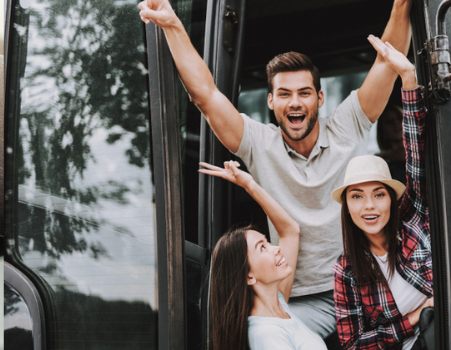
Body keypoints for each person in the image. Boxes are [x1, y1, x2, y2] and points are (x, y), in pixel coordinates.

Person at [138, 0, 414, 337]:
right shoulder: (258, 142)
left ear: (320, 99)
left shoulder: (347, 125)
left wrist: (402, 6)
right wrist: (173, 26)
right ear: (271, 102)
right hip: (301, 301)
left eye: (304, 93)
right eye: (284, 94)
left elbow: (388, 63)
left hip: (363, 286)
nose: (295, 102)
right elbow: (205, 95)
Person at [332, 36, 432, 350]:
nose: (369, 206)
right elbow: (351, 344)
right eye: (357, 197)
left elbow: (416, 154)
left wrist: (408, 78)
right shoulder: (346, 268)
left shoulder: (413, 223)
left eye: (378, 194)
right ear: (347, 207)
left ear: (392, 198)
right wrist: (416, 317)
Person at [199, 161, 324, 350]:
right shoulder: (267, 334)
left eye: (267, 242)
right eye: (262, 248)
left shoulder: (278, 304)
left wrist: (249, 184)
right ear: (249, 276)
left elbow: (290, 230)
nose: (276, 248)